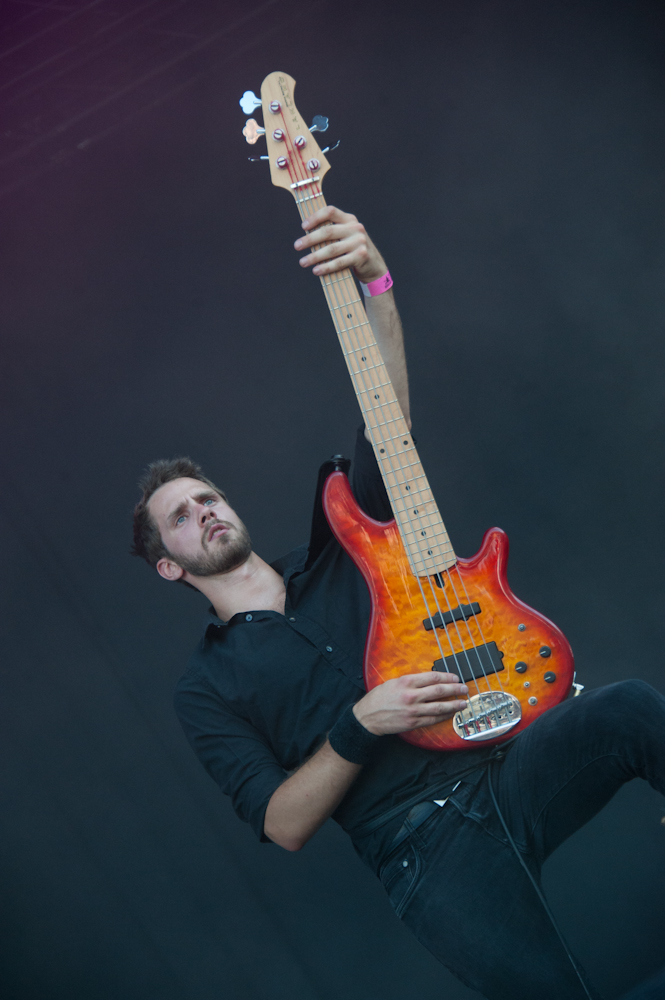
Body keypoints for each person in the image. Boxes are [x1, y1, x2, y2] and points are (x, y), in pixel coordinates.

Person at [131, 206, 665, 1000]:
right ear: (169, 566)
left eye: (207, 497)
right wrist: (360, 724)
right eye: (180, 516)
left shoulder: (340, 547)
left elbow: (390, 426)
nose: (204, 511)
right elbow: (281, 823)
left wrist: (375, 282)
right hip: (422, 854)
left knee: (627, 708)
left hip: (503, 767)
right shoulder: (206, 688)